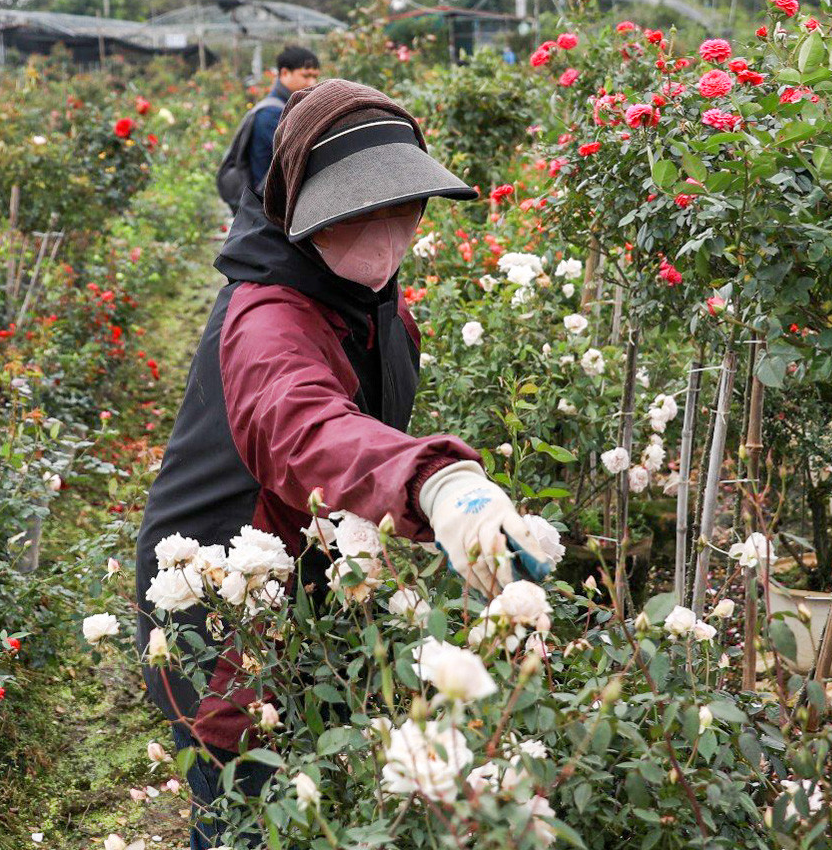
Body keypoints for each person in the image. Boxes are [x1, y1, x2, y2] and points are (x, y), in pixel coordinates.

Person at [135, 79, 558, 849]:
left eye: (403, 209)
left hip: (303, 580)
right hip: (219, 598)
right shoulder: (268, 318)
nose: (386, 236)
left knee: (316, 779)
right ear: (302, 211)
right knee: (246, 807)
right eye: (360, 212)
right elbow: (305, 426)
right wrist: (435, 481)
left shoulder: (373, 303)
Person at [248, 46, 321, 195]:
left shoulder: (290, 108)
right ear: (284, 73)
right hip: (270, 203)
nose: (312, 82)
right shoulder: (272, 113)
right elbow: (293, 161)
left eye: (315, 76)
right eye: (306, 76)